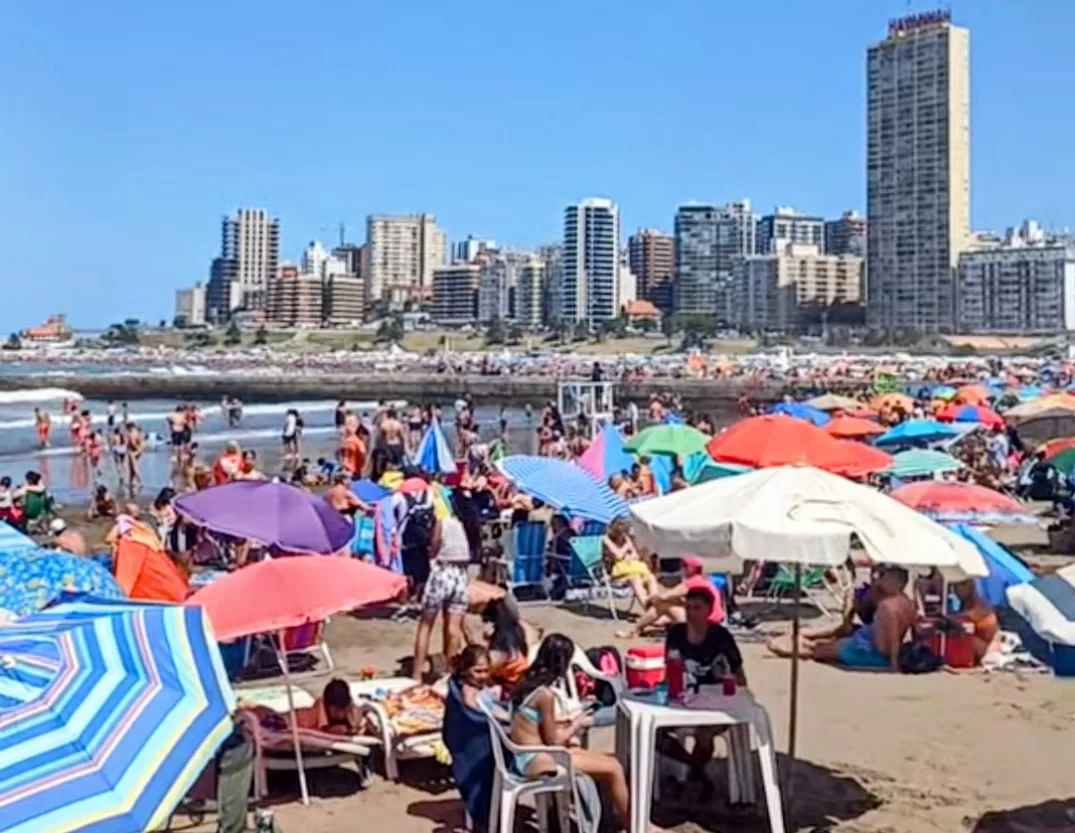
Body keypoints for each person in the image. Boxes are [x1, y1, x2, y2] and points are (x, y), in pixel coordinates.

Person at [509, 634, 630, 831]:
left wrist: (563, 724)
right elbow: (553, 741)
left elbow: (535, 726)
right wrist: (577, 723)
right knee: (614, 769)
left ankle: (621, 822)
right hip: (540, 759)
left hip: (527, 755)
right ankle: (633, 825)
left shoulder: (526, 684)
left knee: (611, 764)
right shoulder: (544, 695)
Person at [659, 586, 745, 795]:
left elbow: (740, 677)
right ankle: (695, 769)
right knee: (655, 733)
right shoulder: (676, 634)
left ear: (709, 610)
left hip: (715, 703)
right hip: (683, 699)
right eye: (687, 607)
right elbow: (669, 671)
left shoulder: (721, 637)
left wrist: (728, 679)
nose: (691, 612)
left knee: (705, 733)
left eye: (697, 607)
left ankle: (693, 773)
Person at [808, 565, 917, 671]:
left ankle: (795, 650)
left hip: (870, 652)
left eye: (883, 576)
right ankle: (803, 644)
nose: (879, 578)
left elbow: (892, 634)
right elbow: (912, 630)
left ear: (892, 582)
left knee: (818, 652)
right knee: (828, 646)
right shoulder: (908, 603)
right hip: (868, 646)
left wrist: (894, 662)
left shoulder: (887, 606)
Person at [412, 513, 469, 682]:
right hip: (461, 574)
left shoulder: (441, 521)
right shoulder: (460, 523)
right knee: (454, 628)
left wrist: (430, 556)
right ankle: (449, 674)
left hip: (443, 572)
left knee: (426, 625)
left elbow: (434, 545)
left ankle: (417, 673)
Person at [616, 557, 725, 639]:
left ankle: (634, 630)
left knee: (663, 605)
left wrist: (651, 599)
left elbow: (664, 596)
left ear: (689, 569)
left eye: (683, 567)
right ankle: (649, 623)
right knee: (675, 601)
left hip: (705, 624)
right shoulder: (705, 581)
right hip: (715, 622)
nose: (681, 569)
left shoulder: (691, 583)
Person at [602, 518, 659, 608]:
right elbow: (618, 555)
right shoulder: (606, 539)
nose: (623, 534)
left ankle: (656, 605)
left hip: (633, 569)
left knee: (651, 578)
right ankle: (648, 608)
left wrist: (630, 554)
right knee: (635, 579)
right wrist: (627, 546)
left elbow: (636, 555)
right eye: (621, 532)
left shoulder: (626, 538)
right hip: (618, 573)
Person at [950, 579, 1002, 662]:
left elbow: (971, 614)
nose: (956, 589)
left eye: (961, 584)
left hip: (989, 650)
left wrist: (947, 617)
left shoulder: (981, 602)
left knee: (963, 638)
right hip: (978, 647)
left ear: (971, 586)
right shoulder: (964, 604)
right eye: (954, 585)